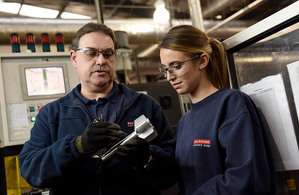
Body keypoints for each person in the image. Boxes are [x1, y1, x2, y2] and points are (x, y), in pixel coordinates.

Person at [19, 22, 177, 195]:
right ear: (74, 58)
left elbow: (171, 173)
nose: (101, 60)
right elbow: (31, 171)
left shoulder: (145, 105)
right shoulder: (52, 114)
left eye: (108, 53)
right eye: (91, 53)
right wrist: (77, 146)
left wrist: (147, 159)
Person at [159, 24, 277, 195]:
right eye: (165, 69)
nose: (170, 76)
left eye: (176, 66)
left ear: (202, 60)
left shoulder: (231, 104)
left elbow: (246, 178)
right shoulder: (185, 121)